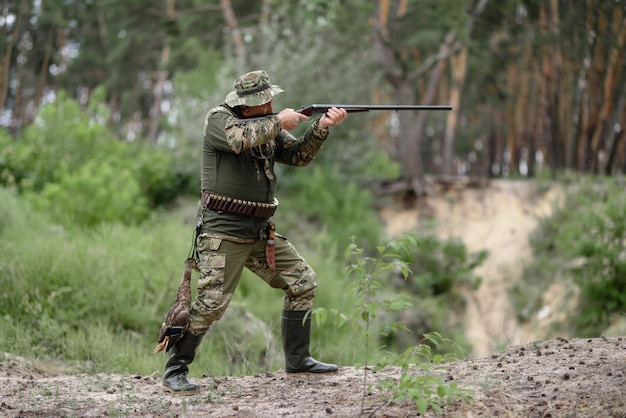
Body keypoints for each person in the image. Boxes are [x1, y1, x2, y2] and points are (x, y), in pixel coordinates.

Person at [162, 70, 348, 394]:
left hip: (260, 233)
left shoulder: (266, 125)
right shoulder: (219, 119)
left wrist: (320, 128)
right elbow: (239, 139)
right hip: (223, 234)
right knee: (210, 304)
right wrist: (279, 122)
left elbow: (298, 156)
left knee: (303, 281)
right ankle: (175, 371)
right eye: (266, 102)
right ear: (249, 104)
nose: (271, 105)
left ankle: (299, 360)